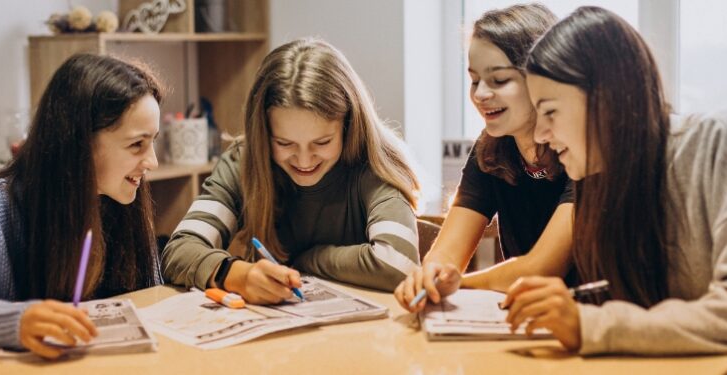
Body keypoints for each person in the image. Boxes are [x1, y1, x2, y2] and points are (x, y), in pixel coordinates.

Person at [504, 6, 727, 355]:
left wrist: (588, 324)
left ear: (606, 98)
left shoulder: (715, 145)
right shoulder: (603, 177)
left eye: (550, 111)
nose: (542, 134)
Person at [162, 38, 421, 303]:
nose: (304, 160)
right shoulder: (244, 162)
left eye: (322, 142)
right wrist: (238, 274)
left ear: (348, 125)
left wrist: (309, 259)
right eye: (284, 143)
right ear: (263, 133)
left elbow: (398, 263)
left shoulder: (373, 163)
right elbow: (179, 251)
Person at [0, 53, 163, 359]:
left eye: (153, 141)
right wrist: (14, 322)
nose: (152, 162)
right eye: (136, 145)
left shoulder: (121, 203)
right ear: (78, 144)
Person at [395, 3, 574, 312]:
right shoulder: (492, 146)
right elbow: (446, 255)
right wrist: (430, 276)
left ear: (543, 78)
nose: (479, 95)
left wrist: (458, 284)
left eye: (499, 80)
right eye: (474, 79)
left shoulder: (582, 150)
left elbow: (542, 268)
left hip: (590, 323)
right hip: (527, 318)